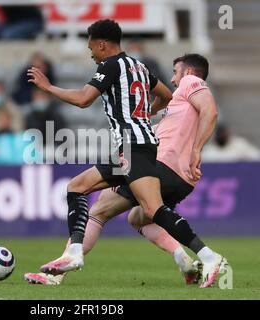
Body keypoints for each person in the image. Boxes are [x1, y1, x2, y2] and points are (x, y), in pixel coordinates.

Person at [27, 19, 227, 288]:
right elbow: (167, 96)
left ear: (101, 44)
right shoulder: (139, 66)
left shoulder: (110, 65)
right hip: (135, 147)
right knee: (78, 188)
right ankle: (70, 256)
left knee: (151, 209)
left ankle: (209, 256)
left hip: (135, 147)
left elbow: (84, 99)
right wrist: (144, 113)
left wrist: (49, 88)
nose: (91, 54)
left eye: (92, 48)